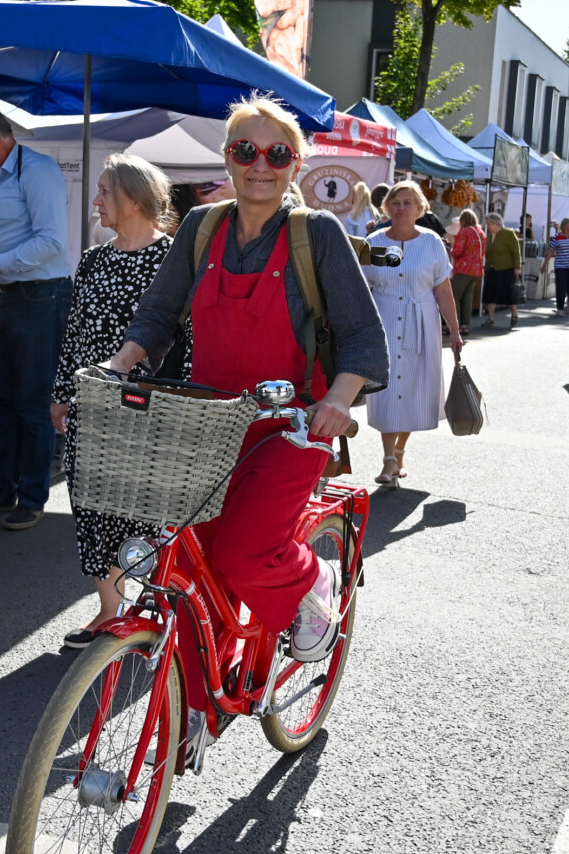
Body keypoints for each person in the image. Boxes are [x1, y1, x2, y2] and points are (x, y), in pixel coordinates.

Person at [112, 93, 389, 751]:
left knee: (244, 551)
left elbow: (361, 338)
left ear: (296, 163)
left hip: (293, 425)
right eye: (245, 150)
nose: (260, 165)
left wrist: (337, 400)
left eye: (276, 153)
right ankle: (198, 709)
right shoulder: (200, 226)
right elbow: (158, 314)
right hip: (209, 421)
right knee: (183, 564)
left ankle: (311, 585)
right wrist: (117, 365)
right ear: (227, 159)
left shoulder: (316, 234)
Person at [53, 155, 185, 648]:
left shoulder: (174, 260)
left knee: (144, 511)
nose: (96, 200)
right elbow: (74, 333)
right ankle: (110, 610)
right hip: (91, 404)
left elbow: (188, 340)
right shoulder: (94, 259)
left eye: (105, 191)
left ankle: (156, 605)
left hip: (150, 409)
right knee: (91, 506)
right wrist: (61, 393)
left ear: (133, 197)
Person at [0, 105, 71, 530]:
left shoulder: (37, 171)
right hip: (3, 295)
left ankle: (33, 495)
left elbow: (52, 241)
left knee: (33, 402)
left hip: (39, 296)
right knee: (3, 399)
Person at [363, 180, 464, 486]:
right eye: (395, 202)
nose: (401, 207)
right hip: (383, 322)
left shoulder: (432, 242)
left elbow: (442, 289)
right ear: (386, 208)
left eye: (408, 202)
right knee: (386, 388)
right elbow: (363, 286)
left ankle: (399, 451)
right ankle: (388, 458)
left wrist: (455, 330)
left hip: (421, 322)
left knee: (413, 386)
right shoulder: (375, 242)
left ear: (420, 208)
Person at [482, 212, 522, 328]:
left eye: (489, 224)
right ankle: (491, 318)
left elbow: (516, 251)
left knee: (508, 293)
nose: (488, 226)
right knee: (490, 293)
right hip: (491, 268)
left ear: (496, 224)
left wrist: (517, 267)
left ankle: (514, 313)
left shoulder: (508, 233)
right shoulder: (490, 235)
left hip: (506, 269)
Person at [449, 208, 486, 329]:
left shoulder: (464, 232)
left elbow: (457, 251)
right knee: (467, 297)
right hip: (476, 269)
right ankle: (465, 325)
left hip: (464, 269)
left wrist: (451, 247)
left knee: (454, 295)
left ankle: (456, 325)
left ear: (463, 220)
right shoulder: (480, 231)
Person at [549, 218, 569, 314]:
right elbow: (551, 251)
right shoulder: (557, 237)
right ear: (565, 226)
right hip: (560, 266)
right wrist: (545, 264)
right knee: (561, 287)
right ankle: (560, 308)